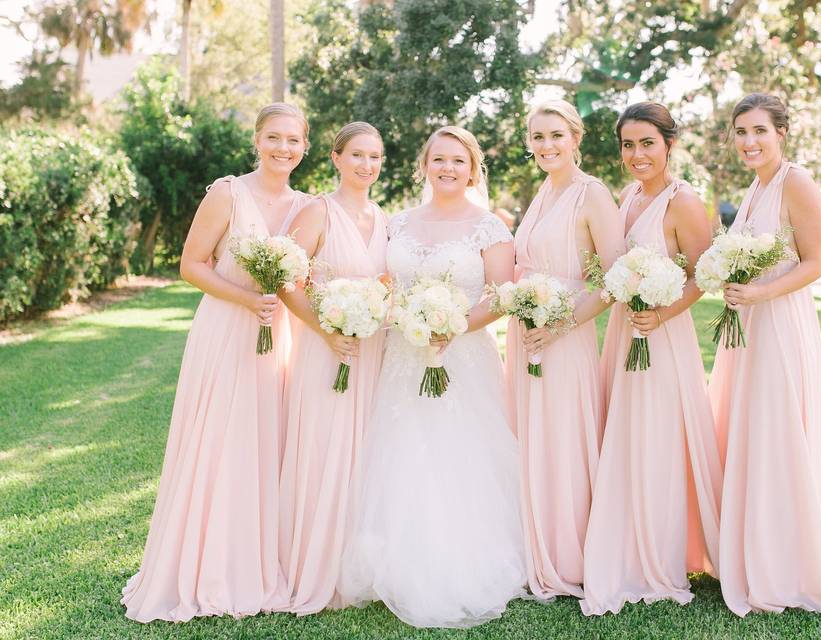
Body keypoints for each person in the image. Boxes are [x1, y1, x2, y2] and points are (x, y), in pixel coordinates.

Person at [122, 103, 311, 622]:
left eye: (293, 141)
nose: (283, 149)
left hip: (280, 335)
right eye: (274, 138)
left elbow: (308, 279)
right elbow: (191, 264)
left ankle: (259, 560)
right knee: (221, 439)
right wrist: (246, 299)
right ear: (257, 139)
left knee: (266, 440)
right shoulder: (228, 192)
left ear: (305, 148)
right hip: (227, 329)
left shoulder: (306, 206)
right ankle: (207, 565)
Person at [338, 126, 526, 628]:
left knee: (460, 453)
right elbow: (383, 283)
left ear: (472, 169)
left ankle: (466, 560)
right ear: (424, 165)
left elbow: (501, 294)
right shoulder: (396, 223)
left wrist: (455, 324)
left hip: (462, 356)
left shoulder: (490, 227)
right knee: (401, 450)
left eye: (458, 161)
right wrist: (400, 316)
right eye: (439, 159)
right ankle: (397, 559)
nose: (448, 168)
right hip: (402, 354)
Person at [709, 92, 821, 617]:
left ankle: (786, 564)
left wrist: (762, 293)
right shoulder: (755, 188)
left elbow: (816, 262)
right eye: (741, 132)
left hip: (780, 323)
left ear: (781, 133)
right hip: (749, 322)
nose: (748, 141)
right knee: (749, 429)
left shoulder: (796, 182)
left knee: (777, 431)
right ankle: (750, 552)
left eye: (759, 131)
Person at [581, 102, 722, 614]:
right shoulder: (628, 196)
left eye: (647, 143)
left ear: (669, 144)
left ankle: (658, 554)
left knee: (658, 435)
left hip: (661, 335)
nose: (637, 154)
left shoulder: (684, 202)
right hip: (626, 329)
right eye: (628, 144)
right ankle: (623, 538)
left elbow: (701, 274)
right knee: (625, 430)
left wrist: (660, 316)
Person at [507, 99, 625, 599]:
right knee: (528, 435)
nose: (546, 145)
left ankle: (568, 551)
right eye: (538, 137)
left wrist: (558, 325)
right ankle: (531, 545)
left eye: (556, 135)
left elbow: (615, 278)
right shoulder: (542, 192)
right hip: (526, 333)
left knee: (562, 436)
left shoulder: (591, 195)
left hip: (565, 334)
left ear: (576, 138)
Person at [270, 122, 389, 614]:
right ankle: (310, 567)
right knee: (322, 449)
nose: (366, 165)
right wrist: (326, 328)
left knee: (363, 452)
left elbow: (385, 280)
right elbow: (287, 283)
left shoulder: (384, 218)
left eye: (375, 157)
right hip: (325, 348)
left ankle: (354, 567)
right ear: (336, 158)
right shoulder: (316, 210)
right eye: (357, 155)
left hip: (371, 351)